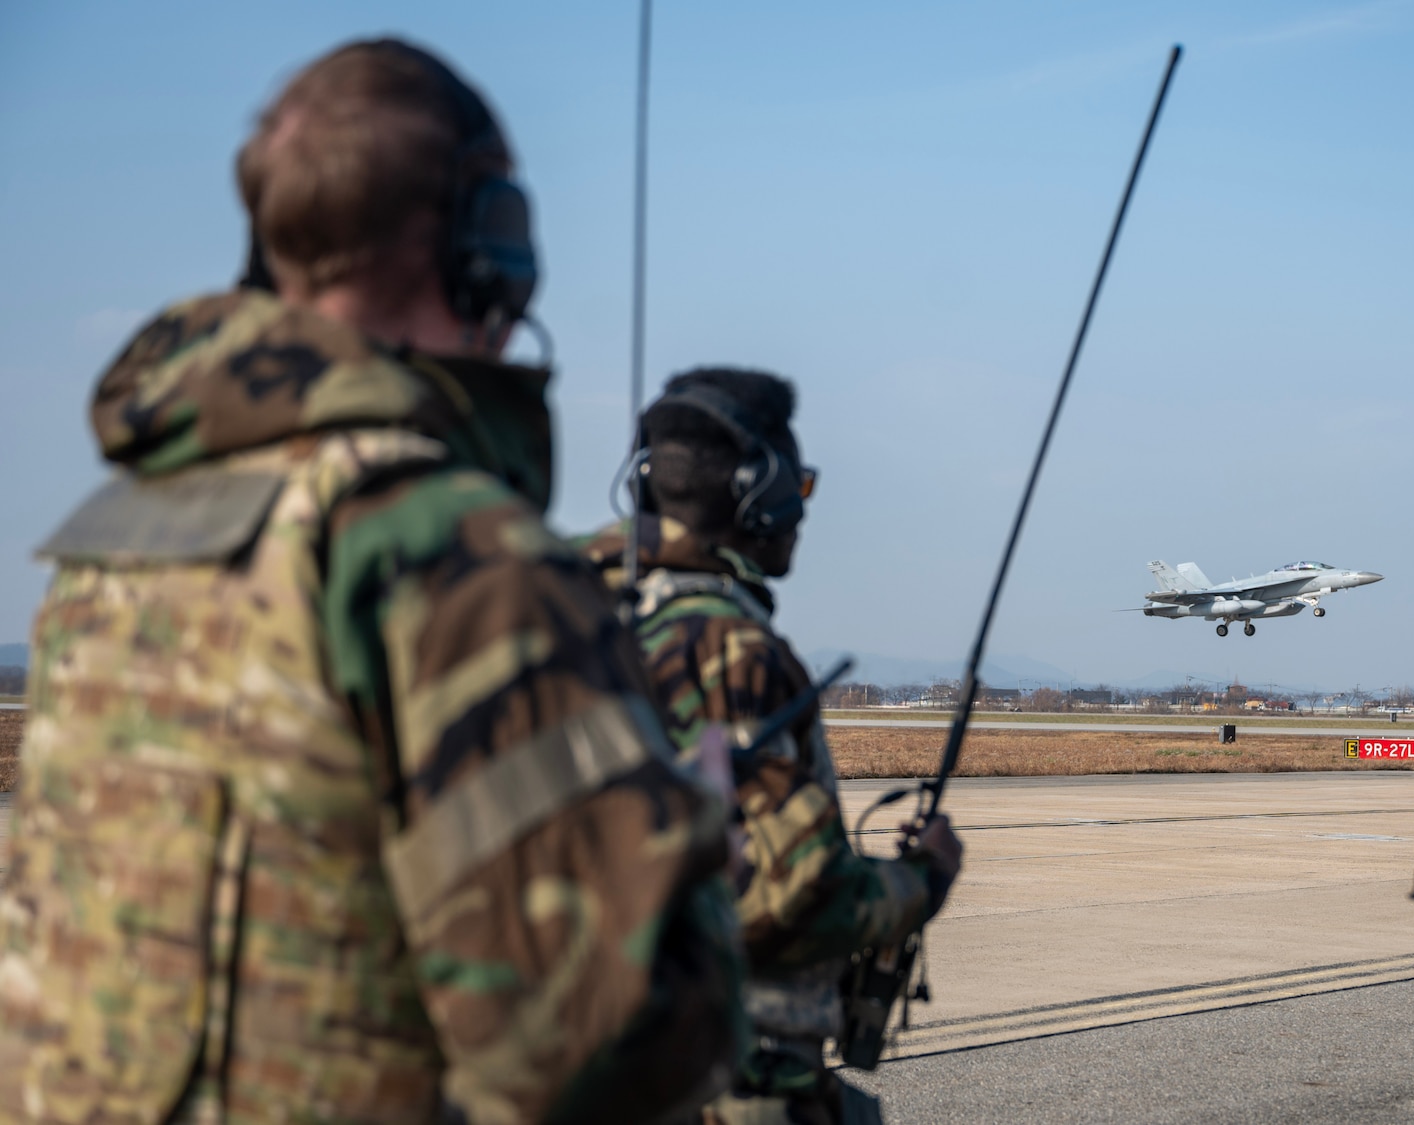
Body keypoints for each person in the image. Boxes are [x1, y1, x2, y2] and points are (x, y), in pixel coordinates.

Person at [0, 40, 744, 1124]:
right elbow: (610, 1044)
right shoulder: (445, 547)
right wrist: (693, 844)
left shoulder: (117, 537)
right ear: (490, 247)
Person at [580, 369, 963, 1125]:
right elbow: (790, 901)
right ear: (759, 489)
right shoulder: (728, 649)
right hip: (721, 1073)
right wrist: (924, 877)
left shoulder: (563, 612)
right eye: (803, 488)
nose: (801, 513)